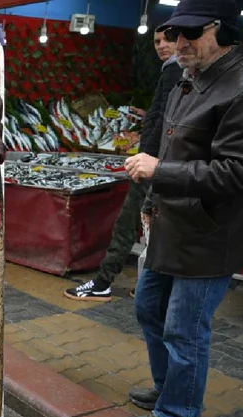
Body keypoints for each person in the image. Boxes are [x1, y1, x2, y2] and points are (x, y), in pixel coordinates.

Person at [123, 0, 243, 417]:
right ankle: (168, 389)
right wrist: (150, 200)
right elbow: (169, 146)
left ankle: (178, 411)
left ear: (224, 32)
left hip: (208, 234)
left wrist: (161, 172)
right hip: (169, 224)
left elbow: (238, 172)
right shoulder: (187, 79)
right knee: (148, 308)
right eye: (177, 32)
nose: (179, 42)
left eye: (191, 33)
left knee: (185, 330)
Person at [65, 29, 181, 302]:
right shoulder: (172, 71)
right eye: (157, 41)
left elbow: (172, 121)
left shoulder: (178, 72)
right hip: (156, 163)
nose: (161, 46)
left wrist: (153, 155)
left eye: (168, 40)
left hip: (154, 165)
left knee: (129, 223)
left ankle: (104, 282)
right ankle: (151, 288)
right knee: (151, 228)